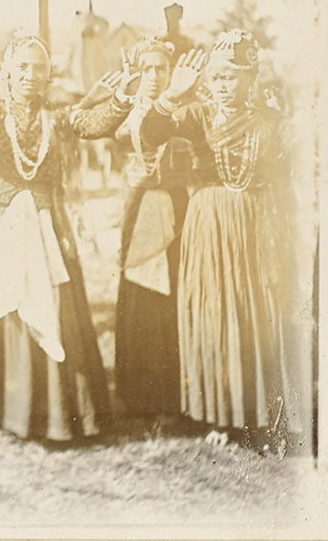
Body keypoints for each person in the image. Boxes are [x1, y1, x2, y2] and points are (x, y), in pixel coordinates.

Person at [0, 33, 122, 442]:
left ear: (49, 75)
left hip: (47, 224)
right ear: (8, 71)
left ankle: (60, 413)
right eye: (23, 67)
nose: (31, 75)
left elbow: (95, 124)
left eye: (39, 67)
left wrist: (122, 100)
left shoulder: (57, 116)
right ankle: (12, 411)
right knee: (10, 315)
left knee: (58, 310)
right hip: (2, 224)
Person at [142, 30, 300, 454]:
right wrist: (172, 95)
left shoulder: (272, 121)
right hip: (209, 226)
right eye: (216, 76)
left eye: (232, 76)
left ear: (251, 77)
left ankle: (266, 417)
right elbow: (152, 132)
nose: (223, 84)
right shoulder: (196, 114)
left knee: (255, 319)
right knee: (217, 319)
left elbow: (295, 166)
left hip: (255, 227)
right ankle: (224, 419)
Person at [78, 36, 193, 419]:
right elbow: (88, 126)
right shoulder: (126, 110)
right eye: (147, 68)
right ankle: (140, 390)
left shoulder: (185, 105)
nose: (155, 75)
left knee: (175, 290)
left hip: (179, 204)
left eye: (161, 67)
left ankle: (177, 391)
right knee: (142, 291)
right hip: (140, 205)